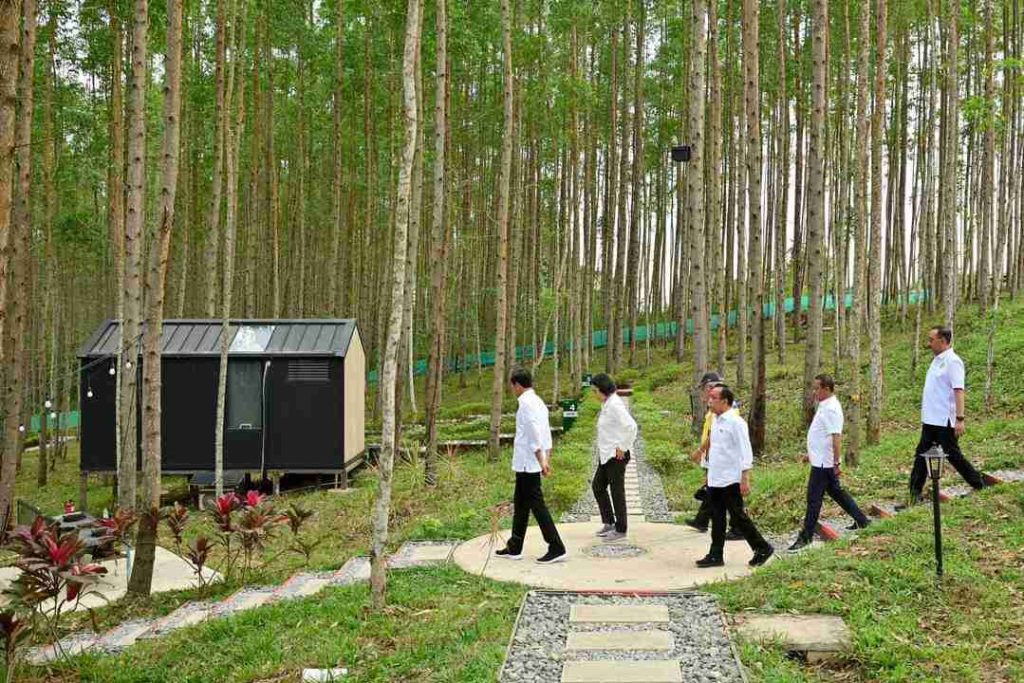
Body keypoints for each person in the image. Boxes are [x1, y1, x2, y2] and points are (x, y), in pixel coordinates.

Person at [788, 374, 871, 552]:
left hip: (824, 464)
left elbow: (836, 437)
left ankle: (806, 536)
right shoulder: (824, 405)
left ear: (826, 389)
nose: (814, 391)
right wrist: (810, 454)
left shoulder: (832, 408)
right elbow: (821, 435)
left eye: (817, 388)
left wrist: (836, 462)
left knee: (813, 499)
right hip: (820, 460)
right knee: (836, 492)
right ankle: (862, 520)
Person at [495, 367, 567, 564]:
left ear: (517, 385)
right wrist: (546, 457)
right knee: (521, 503)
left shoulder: (526, 404)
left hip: (529, 462)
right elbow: (546, 432)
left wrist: (541, 459)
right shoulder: (538, 402)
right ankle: (515, 546)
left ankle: (556, 546)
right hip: (529, 462)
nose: (512, 390)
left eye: (512, 386)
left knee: (537, 504)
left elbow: (535, 433)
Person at [696, 385, 774, 568]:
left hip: (730, 479)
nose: (709, 401)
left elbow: (745, 451)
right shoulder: (716, 420)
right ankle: (715, 554)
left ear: (725, 401)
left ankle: (762, 548)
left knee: (738, 517)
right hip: (716, 478)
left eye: (713, 398)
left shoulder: (736, 422)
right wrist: (708, 473)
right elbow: (715, 449)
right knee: (717, 517)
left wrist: (745, 478)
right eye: (709, 398)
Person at [908, 326, 987, 501]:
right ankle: (914, 494)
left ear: (942, 341)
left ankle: (978, 483)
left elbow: (959, 391)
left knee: (952, 454)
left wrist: (960, 418)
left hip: (944, 420)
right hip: (931, 419)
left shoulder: (953, 361)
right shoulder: (936, 360)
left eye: (931, 340)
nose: (928, 343)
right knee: (922, 454)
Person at [685, 372, 742, 540]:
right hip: (715, 457)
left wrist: (701, 452)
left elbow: (719, 436)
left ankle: (738, 528)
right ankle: (702, 520)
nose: (703, 393)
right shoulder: (715, 408)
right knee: (714, 490)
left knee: (729, 494)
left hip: (723, 459)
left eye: (704, 389)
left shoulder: (726, 410)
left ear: (711, 388)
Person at [591, 373, 638, 543]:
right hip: (606, 455)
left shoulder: (615, 405)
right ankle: (609, 522)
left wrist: (623, 447)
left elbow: (631, 427)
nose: (594, 394)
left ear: (603, 389)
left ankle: (621, 528)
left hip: (615, 456)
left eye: (595, 390)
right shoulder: (607, 403)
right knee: (598, 486)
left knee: (617, 492)